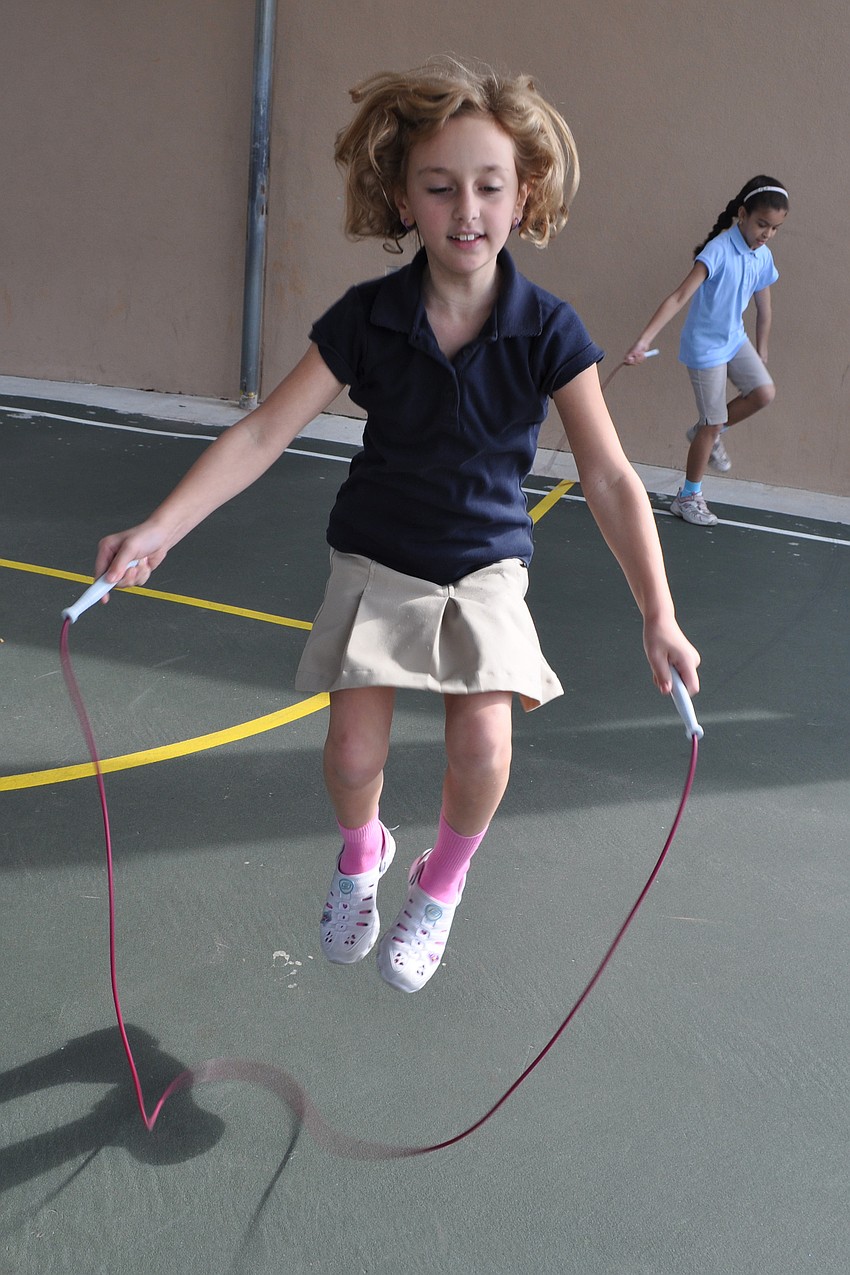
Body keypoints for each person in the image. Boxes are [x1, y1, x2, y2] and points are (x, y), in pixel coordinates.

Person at [95, 58, 700, 994]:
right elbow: (264, 430)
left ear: (523, 194)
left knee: (485, 749)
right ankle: (362, 851)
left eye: (490, 186)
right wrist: (161, 525)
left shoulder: (549, 329)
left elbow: (613, 477)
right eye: (440, 186)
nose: (467, 208)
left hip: (487, 565)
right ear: (402, 198)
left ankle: (442, 884)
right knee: (350, 754)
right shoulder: (369, 320)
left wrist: (658, 613)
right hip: (378, 557)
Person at [624, 176, 789, 526]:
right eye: (762, 224)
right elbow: (679, 296)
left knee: (763, 392)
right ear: (742, 214)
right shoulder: (718, 250)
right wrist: (644, 340)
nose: (767, 234)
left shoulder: (762, 256)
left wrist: (761, 351)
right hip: (706, 349)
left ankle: (710, 431)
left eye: (775, 228)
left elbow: (765, 309)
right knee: (711, 424)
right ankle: (687, 496)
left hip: (735, 340)